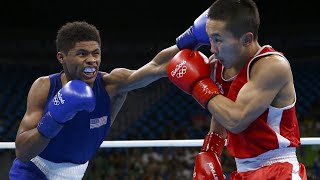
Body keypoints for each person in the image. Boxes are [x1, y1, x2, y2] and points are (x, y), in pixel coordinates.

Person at [8, 21, 185, 179]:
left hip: (76, 172)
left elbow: (156, 67)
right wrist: (54, 119)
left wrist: (193, 37)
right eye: (82, 54)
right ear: (61, 57)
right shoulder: (44, 87)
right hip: (34, 168)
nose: (91, 60)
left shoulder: (112, 85)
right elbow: (22, 153)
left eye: (96, 53)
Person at [167, 0, 308, 179]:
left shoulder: (272, 66)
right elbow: (222, 116)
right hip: (242, 171)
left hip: (279, 169)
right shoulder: (219, 67)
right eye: (210, 40)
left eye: (218, 40)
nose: (212, 49)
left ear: (246, 39)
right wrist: (210, 152)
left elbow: (236, 120)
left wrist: (197, 85)